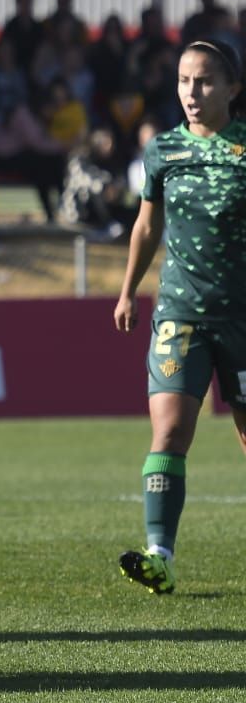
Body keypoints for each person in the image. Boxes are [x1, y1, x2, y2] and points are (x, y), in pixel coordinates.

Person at [113, 40, 246, 596]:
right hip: (180, 313)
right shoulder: (163, 150)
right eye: (185, 81)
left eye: (206, 81)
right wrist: (128, 292)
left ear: (233, 89)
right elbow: (146, 227)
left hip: (242, 318)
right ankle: (159, 555)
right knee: (168, 430)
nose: (193, 92)